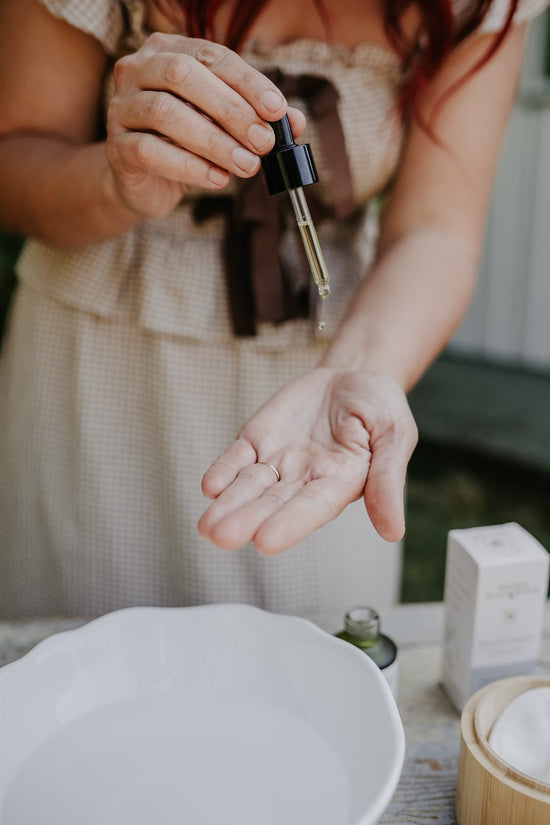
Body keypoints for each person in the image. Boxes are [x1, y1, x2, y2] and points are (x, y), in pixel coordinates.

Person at [0, 0, 547, 619]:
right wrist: (117, 179)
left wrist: (362, 373)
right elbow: (14, 161)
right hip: (97, 375)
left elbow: (438, 231)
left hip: (326, 401)